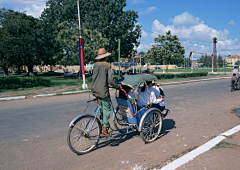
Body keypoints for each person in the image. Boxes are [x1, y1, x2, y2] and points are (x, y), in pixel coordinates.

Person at [91, 48, 121, 137]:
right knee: (107, 108)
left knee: (101, 105)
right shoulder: (107, 65)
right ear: (106, 57)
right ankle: (104, 129)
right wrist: (117, 86)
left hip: (94, 89)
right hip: (102, 90)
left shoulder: (95, 64)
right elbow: (111, 80)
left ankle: (102, 118)